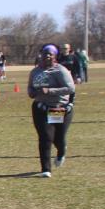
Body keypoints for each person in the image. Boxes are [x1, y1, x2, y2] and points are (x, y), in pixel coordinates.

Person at [27, 44, 75, 178]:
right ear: (41, 55)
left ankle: (61, 151)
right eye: (45, 54)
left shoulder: (60, 70)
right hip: (40, 107)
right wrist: (31, 92)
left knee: (58, 138)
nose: (47, 56)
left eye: (50, 54)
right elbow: (30, 87)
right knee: (45, 137)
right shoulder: (35, 72)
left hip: (57, 108)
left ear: (55, 56)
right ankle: (46, 169)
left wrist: (50, 91)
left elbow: (70, 88)